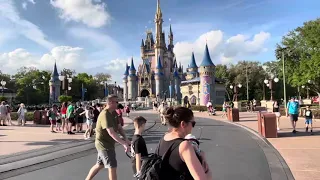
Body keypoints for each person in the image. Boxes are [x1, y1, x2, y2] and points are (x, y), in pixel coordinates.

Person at [156, 107, 212, 180]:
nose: (193, 127)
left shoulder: (164, 139)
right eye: (193, 123)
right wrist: (203, 159)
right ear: (183, 124)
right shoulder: (184, 146)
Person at [85, 95, 130, 180]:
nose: (118, 103)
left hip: (108, 143)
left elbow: (119, 127)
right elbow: (111, 132)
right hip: (104, 144)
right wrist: (123, 143)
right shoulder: (105, 114)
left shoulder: (114, 113)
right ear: (110, 102)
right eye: (116, 102)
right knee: (112, 167)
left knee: (99, 165)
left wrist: (126, 138)